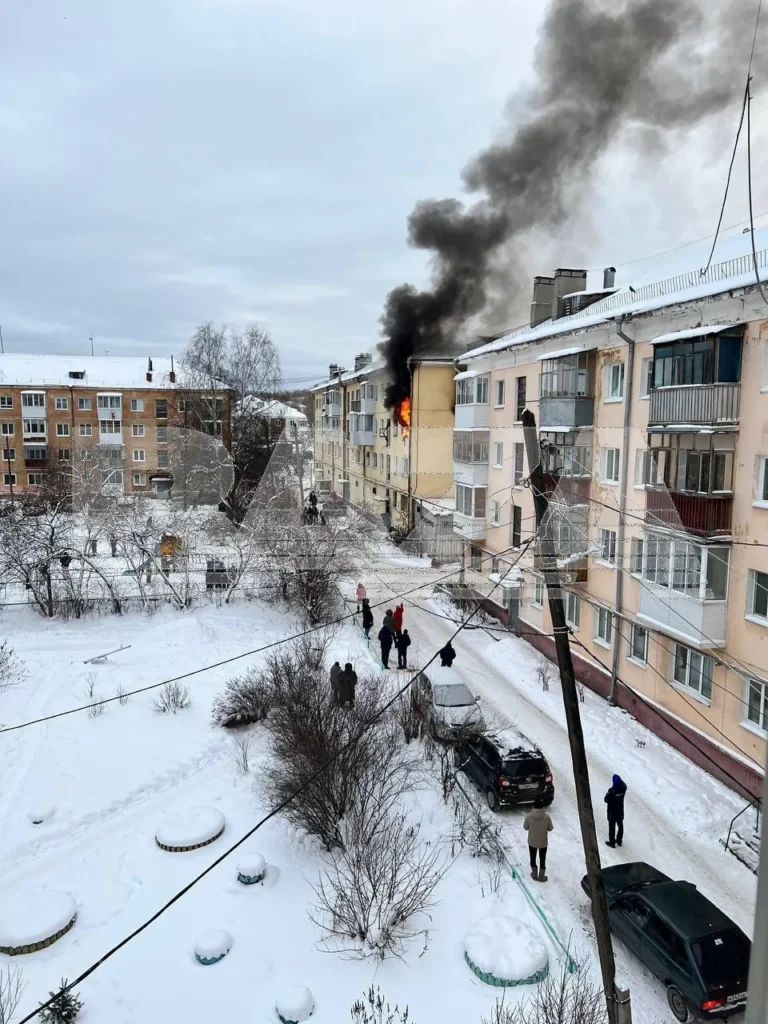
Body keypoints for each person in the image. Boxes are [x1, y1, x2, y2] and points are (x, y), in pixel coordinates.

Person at [523, 798, 553, 882]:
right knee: (542, 859)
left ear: (533, 806)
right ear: (542, 807)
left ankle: (534, 874)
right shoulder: (547, 817)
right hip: (543, 842)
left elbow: (525, 827)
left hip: (532, 841)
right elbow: (550, 828)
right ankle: (541, 876)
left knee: (533, 858)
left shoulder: (528, 816)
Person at [605, 774, 627, 847]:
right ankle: (619, 840)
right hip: (620, 810)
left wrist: (609, 793)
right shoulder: (623, 788)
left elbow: (606, 800)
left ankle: (612, 842)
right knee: (620, 825)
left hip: (612, 811)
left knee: (612, 826)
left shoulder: (612, 791)